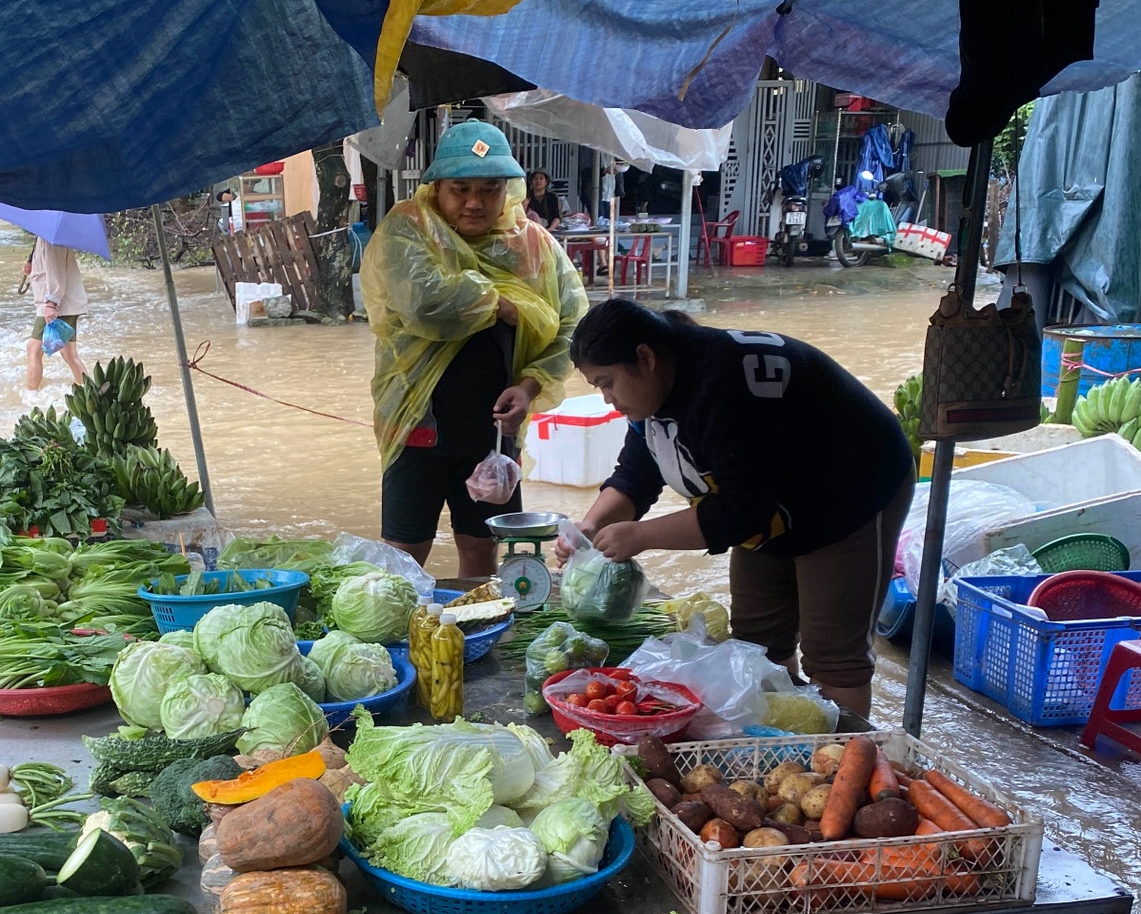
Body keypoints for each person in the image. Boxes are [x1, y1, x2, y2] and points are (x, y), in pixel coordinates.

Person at [559, 299, 915, 717]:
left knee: (833, 655)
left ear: (645, 357)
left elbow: (740, 512)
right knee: (757, 642)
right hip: (770, 504)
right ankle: (778, 746)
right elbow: (636, 474)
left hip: (848, 494)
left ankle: (843, 766)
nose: (607, 399)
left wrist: (640, 536)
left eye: (608, 383)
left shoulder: (723, 385)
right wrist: (590, 525)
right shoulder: (656, 391)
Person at [361, 121, 588, 578]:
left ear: (508, 190)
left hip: (494, 435)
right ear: (437, 188)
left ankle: (472, 643)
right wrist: (500, 303)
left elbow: (572, 325)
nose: (474, 202)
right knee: (401, 562)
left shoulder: (533, 246)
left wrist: (528, 389)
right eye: (460, 188)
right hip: (417, 427)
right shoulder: (408, 229)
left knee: (484, 559)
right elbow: (426, 305)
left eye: (490, 189)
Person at [23, 237, 87, 391]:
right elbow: (46, 269)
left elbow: (56, 272)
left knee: (34, 349)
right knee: (69, 353)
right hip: (60, 304)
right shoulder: (44, 236)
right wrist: (31, 267)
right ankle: (91, 392)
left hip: (58, 305)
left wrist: (51, 304)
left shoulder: (51, 239)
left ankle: (32, 395)